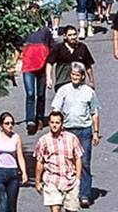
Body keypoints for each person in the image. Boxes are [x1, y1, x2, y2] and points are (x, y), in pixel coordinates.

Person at [51, 63, 99, 208]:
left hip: (84, 131)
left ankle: (84, 194)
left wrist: (96, 132)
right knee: (68, 162)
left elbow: (94, 112)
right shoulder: (63, 90)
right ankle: (69, 191)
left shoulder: (88, 92)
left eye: (77, 75)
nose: (74, 77)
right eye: (73, 75)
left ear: (83, 76)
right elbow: (55, 109)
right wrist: (55, 129)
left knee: (84, 162)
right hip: (68, 131)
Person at [33, 110, 83, 212]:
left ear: (62, 124)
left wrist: (78, 178)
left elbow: (78, 158)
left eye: (57, 123)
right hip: (52, 179)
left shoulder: (72, 138)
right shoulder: (43, 141)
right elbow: (40, 162)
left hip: (70, 180)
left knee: (72, 209)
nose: (54, 125)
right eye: (52, 122)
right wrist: (37, 181)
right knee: (55, 209)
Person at [0, 112, 27, 212]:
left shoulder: (16, 137)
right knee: (3, 203)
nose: (10, 125)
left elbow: (20, 156)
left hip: (13, 172)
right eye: (7, 123)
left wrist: (24, 172)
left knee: (12, 206)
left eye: (12, 123)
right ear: (1, 125)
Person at [20, 25, 53, 135]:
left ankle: (39, 117)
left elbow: (51, 47)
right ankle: (30, 120)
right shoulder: (23, 29)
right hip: (28, 66)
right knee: (30, 93)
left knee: (40, 94)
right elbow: (17, 46)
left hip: (42, 66)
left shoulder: (45, 31)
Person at [46, 25, 95, 91]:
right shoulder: (58, 48)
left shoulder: (82, 47)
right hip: (62, 83)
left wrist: (91, 81)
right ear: (65, 36)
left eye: (74, 34)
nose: (73, 37)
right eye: (70, 35)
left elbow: (88, 66)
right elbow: (49, 63)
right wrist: (48, 78)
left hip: (79, 83)